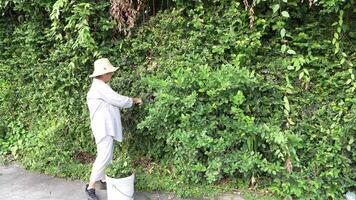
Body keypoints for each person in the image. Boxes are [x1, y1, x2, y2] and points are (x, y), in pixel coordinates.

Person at [85, 58, 143, 200]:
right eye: (109, 72)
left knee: (107, 153)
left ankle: (104, 179)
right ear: (103, 74)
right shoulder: (100, 87)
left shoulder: (101, 84)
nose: (111, 74)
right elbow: (117, 99)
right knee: (104, 155)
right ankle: (90, 186)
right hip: (103, 127)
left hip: (104, 126)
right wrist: (134, 100)